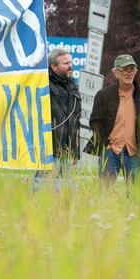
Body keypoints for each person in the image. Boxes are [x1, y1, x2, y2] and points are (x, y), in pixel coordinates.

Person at [89, 54, 140, 182]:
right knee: (106, 191)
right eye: (125, 69)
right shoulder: (103, 95)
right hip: (111, 151)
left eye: (132, 69)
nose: (129, 73)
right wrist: (105, 144)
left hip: (135, 152)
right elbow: (95, 122)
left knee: (136, 194)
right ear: (116, 72)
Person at [34, 48, 81, 191]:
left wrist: (75, 152)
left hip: (69, 153)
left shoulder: (74, 87)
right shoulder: (44, 85)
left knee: (67, 195)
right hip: (49, 151)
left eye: (71, 62)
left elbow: (76, 121)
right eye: (66, 63)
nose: (70, 66)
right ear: (54, 67)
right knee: (43, 192)